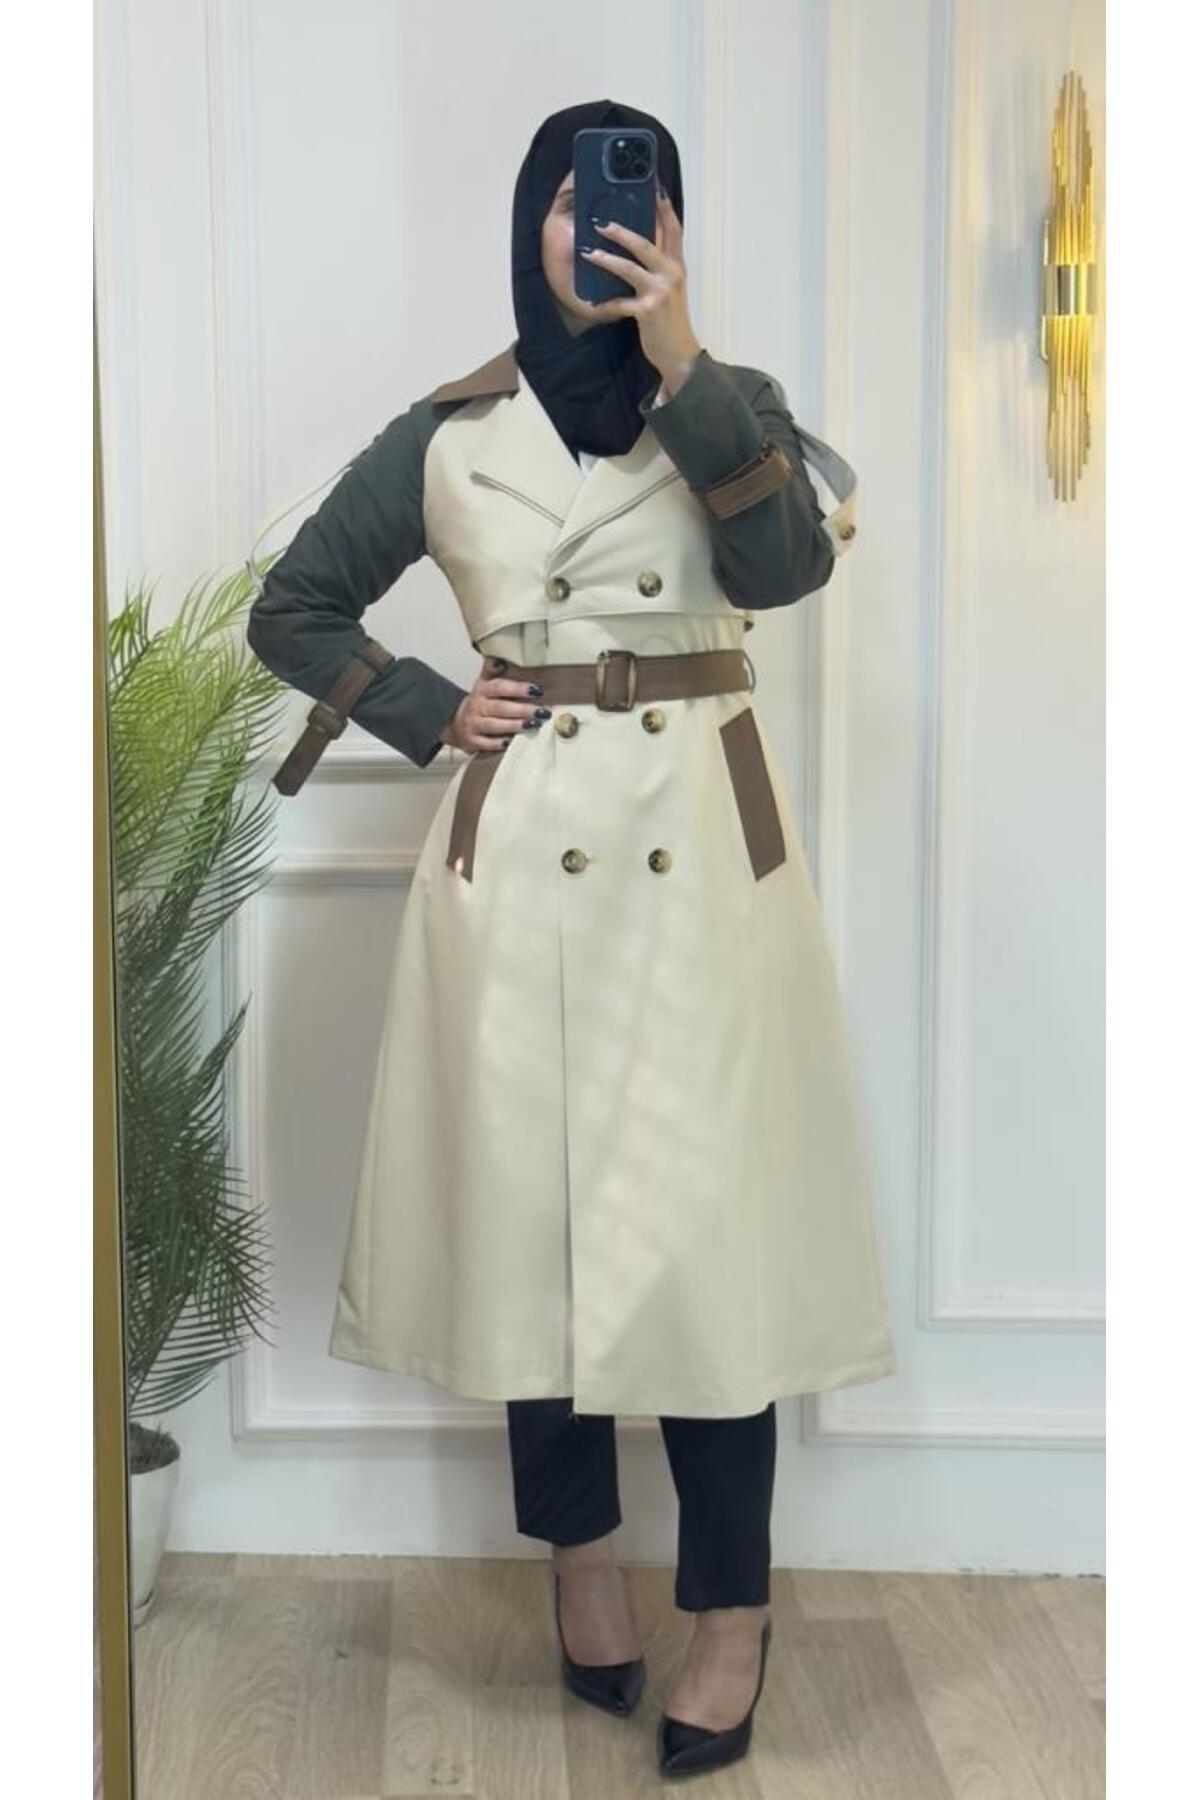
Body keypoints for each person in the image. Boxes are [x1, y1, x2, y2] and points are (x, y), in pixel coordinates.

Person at [247, 98, 896, 1779]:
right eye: (574, 199)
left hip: (709, 868)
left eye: (642, 198)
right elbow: (291, 606)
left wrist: (684, 364)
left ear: (671, 231)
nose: (603, 227)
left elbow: (787, 571)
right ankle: (580, 1564)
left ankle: (733, 1608)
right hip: (522, 852)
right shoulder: (446, 435)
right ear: (529, 219)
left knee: (713, 1244)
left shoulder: (732, 406)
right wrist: (423, 707)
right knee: (537, 1230)